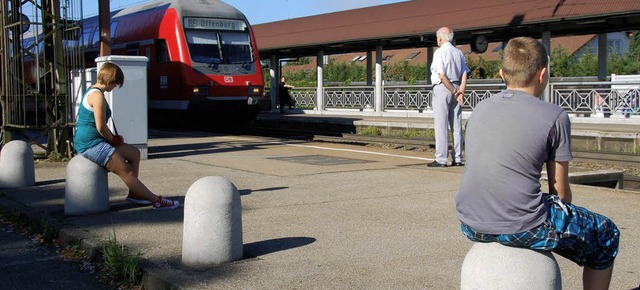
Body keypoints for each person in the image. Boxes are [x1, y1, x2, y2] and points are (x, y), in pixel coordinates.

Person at [456, 37, 619, 289]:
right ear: (543, 74)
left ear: (501, 73)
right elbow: (560, 192)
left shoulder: (480, 109)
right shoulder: (555, 116)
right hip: (524, 226)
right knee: (606, 234)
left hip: (470, 223)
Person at [74, 62, 180, 210]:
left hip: (97, 139)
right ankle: (156, 201)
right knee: (126, 172)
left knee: (134, 154)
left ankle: (135, 194)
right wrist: (113, 139)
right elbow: (101, 127)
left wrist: (113, 139)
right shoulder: (97, 96)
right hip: (90, 144)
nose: (115, 87)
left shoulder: (93, 90)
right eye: (116, 84)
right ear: (111, 81)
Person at [427, 27, 469, 167]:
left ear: (440, 38)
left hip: (444, 88)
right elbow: (464, 72)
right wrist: (460, 90)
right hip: (457, 87)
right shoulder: (458, 52)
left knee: (441, 124)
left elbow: (442, 75)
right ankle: (458, 158)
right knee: (456, 124)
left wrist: (452, 90)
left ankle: (441, 159)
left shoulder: (439, 53)